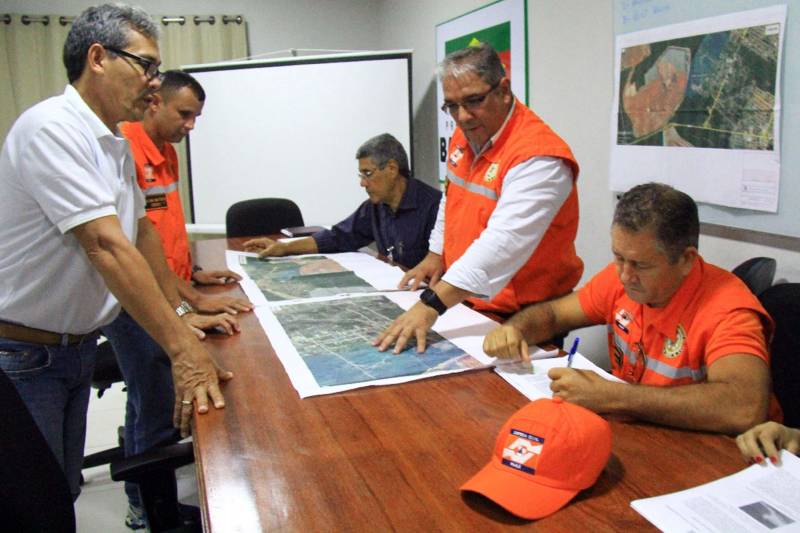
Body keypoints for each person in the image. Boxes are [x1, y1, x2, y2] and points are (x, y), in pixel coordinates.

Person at [0, 3, 229, 503]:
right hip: (24, 354)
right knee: (32, 505)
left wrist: (182, 308)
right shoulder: (53, 129)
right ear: (98, 57)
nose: (154, 81)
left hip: (73, 347)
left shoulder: (113, 141)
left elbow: (142, 233)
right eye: (145, 65)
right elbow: (106, 245)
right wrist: (182, 348)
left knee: (60, 493)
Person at [483, 183, 774, 434]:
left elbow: (744, 408)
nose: (624, 276)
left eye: (641, 265)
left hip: (712, 454)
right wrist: (515, 328)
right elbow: (554, 314)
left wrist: (613, 396)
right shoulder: (623, 279)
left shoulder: (728, 309)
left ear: (686, 260)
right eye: (619, 258)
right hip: (643, 433)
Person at [106, 69, 253, 529]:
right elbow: (130, 247)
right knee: (154, 401)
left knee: (147, 398)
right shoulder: (126, 149)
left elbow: (162, 228)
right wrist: (187, 303)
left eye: (196, 117)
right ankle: (151, 513)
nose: (191, 125)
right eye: (185, 114)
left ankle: (143, 496)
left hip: (167, 289)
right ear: (155, 104)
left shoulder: (164, 152)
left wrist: (193, 274)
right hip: (139, 302)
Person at [375, 43, 582, 354]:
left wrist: (430, 304)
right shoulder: (469, 130)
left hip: (527, 314)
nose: (463, 116)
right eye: (452, 106)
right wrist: (436, 253)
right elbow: (452, 195)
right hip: (467, 298)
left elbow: (502, 243)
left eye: (474, 101)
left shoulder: (539, 157)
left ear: (504, 89)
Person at [243, 133, 441, 270]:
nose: (363, 183)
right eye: (361, 175)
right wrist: (284, 248)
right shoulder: (374, 207)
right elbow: (338, 237)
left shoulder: (434, 207)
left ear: (391, 168)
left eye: (368, 174)